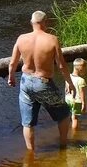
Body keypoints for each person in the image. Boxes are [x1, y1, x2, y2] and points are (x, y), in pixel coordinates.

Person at [7, 11, 76, 151]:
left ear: (31, 23)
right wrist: (69, 82)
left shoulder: (21, 39)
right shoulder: (52, 40)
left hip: (25, 82)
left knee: (28, 123)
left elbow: (12, 63)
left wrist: (11, 77)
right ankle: (63, 147)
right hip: (43, 83)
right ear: (46, 22)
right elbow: (62, 65)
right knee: (63, 115)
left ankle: (31, 154)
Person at [65, 58, 87, 135]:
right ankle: (75, 134)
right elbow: (82, 93)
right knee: (75, 118)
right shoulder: (81, 80)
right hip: (76, 101)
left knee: (70, 115)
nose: (85, 71)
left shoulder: (68, 77)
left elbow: (66, 89)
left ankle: (67, 130)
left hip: (68, 100)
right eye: (85, 69)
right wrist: (84, 104)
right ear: (80, 69)